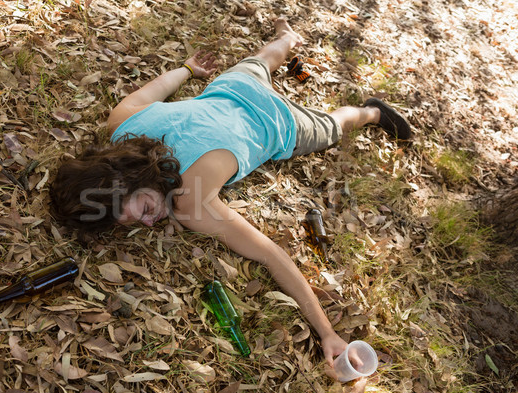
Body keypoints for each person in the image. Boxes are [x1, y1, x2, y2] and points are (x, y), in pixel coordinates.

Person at [50, 18, 411, 367]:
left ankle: (371, 113)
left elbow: (271, 255)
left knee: (334, 125)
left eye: (144, 206)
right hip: (233, 87)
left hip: (282, 122)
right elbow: (156, 89)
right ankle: (288, 37)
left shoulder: (191, 202)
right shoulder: (122, 126)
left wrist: (327, 332)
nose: (152, 220)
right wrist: (187, 71)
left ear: (131, 179)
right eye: (139, 222)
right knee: (266, 58)